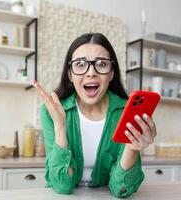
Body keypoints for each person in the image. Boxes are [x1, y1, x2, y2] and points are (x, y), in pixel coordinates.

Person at [32, 33, 157, 198]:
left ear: (111, 73)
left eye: (101, 64)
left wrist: (132, 148)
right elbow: (61, 185)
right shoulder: (52, 111)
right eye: (80, 64)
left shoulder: (125, 112)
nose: (91, 72)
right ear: (70, 74)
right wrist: (60, 126)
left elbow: (121, 188)